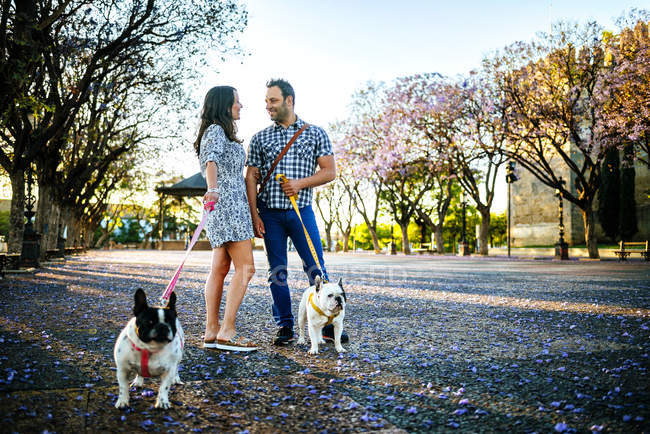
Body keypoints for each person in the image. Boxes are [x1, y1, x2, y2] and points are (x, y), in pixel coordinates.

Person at [245, 78, 349, 346]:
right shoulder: (259, 138)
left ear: (289, 100)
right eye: (267, 101)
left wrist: (299, 184)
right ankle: (285, 326)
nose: (268, 106)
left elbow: (330, 171)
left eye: (273, 100)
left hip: (301, 210)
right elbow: (252, 177)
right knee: (276, 271)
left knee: (316, 268)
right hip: (269, 214)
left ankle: (327, 323)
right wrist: (254, 214)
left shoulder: (315, 133)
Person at [194, 86, 257, 352]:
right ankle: (227, 331)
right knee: (247, 268)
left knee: (219, 269)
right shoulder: (216, 131)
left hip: (228, 204)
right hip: (228, 204)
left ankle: (211, 331)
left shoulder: (219, 132)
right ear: (224, 105)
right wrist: (213, 188)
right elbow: (211, 160)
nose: (241, 105)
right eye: (236, 101)